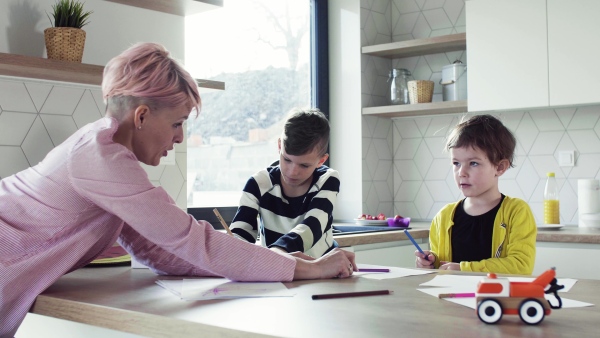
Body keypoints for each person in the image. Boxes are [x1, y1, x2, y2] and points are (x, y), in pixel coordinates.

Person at [0, 43, 356, 337]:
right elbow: (190, 240)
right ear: (141, 116)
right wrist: (307, 270)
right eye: (177, 123)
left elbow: (163, 252)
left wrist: (288, 261)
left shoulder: (106, 157)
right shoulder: (98, 157)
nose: (180, 137)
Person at [414, 114, 536, 275]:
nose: (461, 172)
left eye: (473, 163)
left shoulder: (517, 211)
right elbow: (443, 266)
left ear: (500, 167)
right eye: (456, 163)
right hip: (451, 298)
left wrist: (465, 269)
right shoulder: (443, 217)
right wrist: (429, 261)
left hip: (498, 298)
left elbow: (521, 266)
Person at [229, 108, 339, 258]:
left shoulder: (327, 179)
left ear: (321, 161)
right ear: (280, 146)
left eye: (304, 165)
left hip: (323, 271)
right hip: (277, 271)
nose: (292, 172)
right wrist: (232, 247)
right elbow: (242, 231)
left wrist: (278, 252)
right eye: (287, 159)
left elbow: (312, 227)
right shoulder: (258, 183)